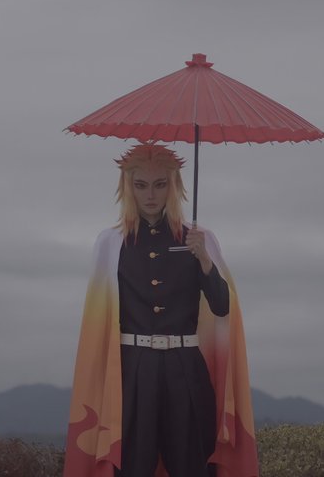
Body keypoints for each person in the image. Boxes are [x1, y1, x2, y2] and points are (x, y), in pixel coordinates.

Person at [63, 143, 258, 477]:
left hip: (186, 368)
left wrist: (204, 260)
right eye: (141, 185)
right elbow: (99, 322)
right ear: (128, 187)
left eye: (159, 184)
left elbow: (222, 306)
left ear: (174, 185)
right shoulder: (111, 244)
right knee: (131, 467)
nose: (150, 195)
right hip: (131, 370)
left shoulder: (199, 240)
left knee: (192, 467)